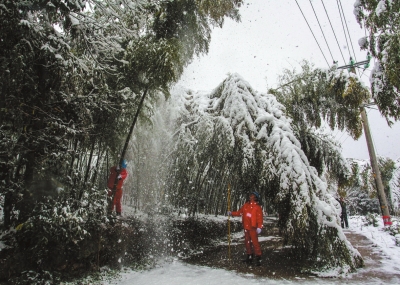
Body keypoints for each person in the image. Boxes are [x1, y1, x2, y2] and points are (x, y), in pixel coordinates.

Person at [228, 191, 263, 266]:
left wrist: (260, 227)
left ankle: (258, 258)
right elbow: (239, 212)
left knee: (255, 243)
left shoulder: (257, 207)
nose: (251, 196)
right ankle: (249, 257)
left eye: (253, 195)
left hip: (253, 227)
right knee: (247, 243)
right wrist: (231, 213)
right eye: (250, 195)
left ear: (256, 197)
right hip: (246, 227)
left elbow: (260, 218)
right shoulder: (246, 205)